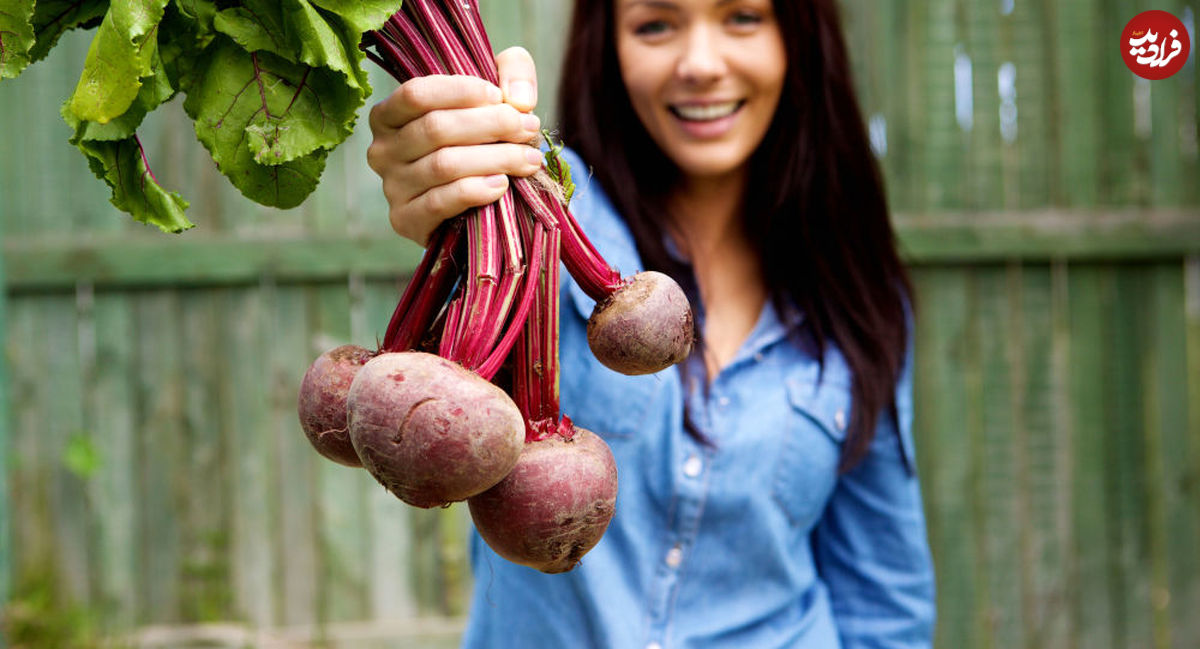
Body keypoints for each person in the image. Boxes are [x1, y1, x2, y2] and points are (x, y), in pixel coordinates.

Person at [366, 0, 936, 647]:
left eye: (743, 17)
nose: (700, 64)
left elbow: (884, 597)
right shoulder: (536, 208)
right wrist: (451, 167)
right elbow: (467, 197)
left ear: (798, 38)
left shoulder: (857, 291)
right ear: (609, 49)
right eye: (655, 25)